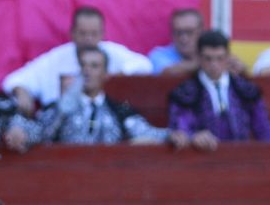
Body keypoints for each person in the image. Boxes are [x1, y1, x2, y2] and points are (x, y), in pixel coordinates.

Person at [168, 29, 270, 153]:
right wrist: (193, 137)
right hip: (199, 165)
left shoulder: (246, 90)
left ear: (228, 57)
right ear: (199, 58)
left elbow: (265, 133)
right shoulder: (184, 94)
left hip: (240, 163)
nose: (214, 65)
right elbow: (180, 131)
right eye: (208, 59)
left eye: (219, 58)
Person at [2, 5, 153, 113]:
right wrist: (21, 91)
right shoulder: (57, 57)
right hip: (61, 127)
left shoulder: (112, 52)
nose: (88, 39)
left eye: (94, 34)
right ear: (72, 33)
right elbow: (13, 81)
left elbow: (144, 65)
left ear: (102, 34)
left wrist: (120, 74)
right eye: (83, 33)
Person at [33, 47, 170, 145]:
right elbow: (37, 133)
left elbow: (148, 133)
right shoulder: (60, 107)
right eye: (83, 65)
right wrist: (63, 107)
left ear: (105, 75)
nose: (87, 71)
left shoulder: (120, 110)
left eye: (94, 66)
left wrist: (174, 134)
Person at [148, 6, 205, 75]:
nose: (183, 38)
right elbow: (167, 73)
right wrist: (204, 62)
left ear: (201, 32)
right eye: (178, 32)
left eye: (189, 32)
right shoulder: (158, 55)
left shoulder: (210, 51)